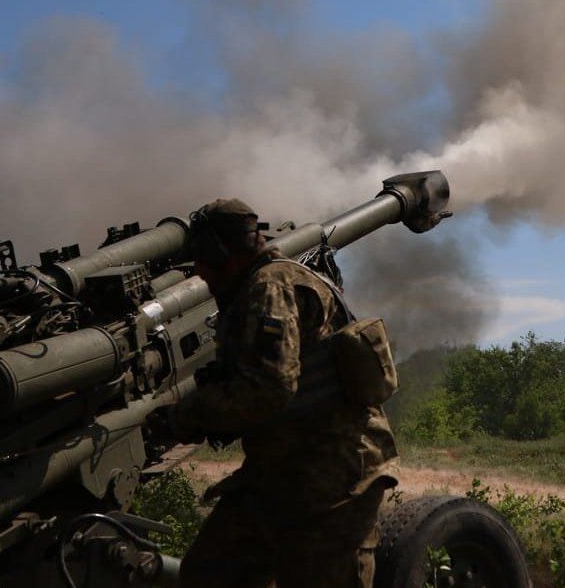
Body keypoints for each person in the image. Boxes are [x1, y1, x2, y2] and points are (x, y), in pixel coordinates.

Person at [169, 198, 398, 588]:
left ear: (224, 252)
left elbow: (270, 388)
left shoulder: (271, 287)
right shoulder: (258, 287)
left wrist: (188, 415)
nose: (199, 271)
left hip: (334, 472)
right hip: (280, 469)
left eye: (204, 257)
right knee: (211, 572)